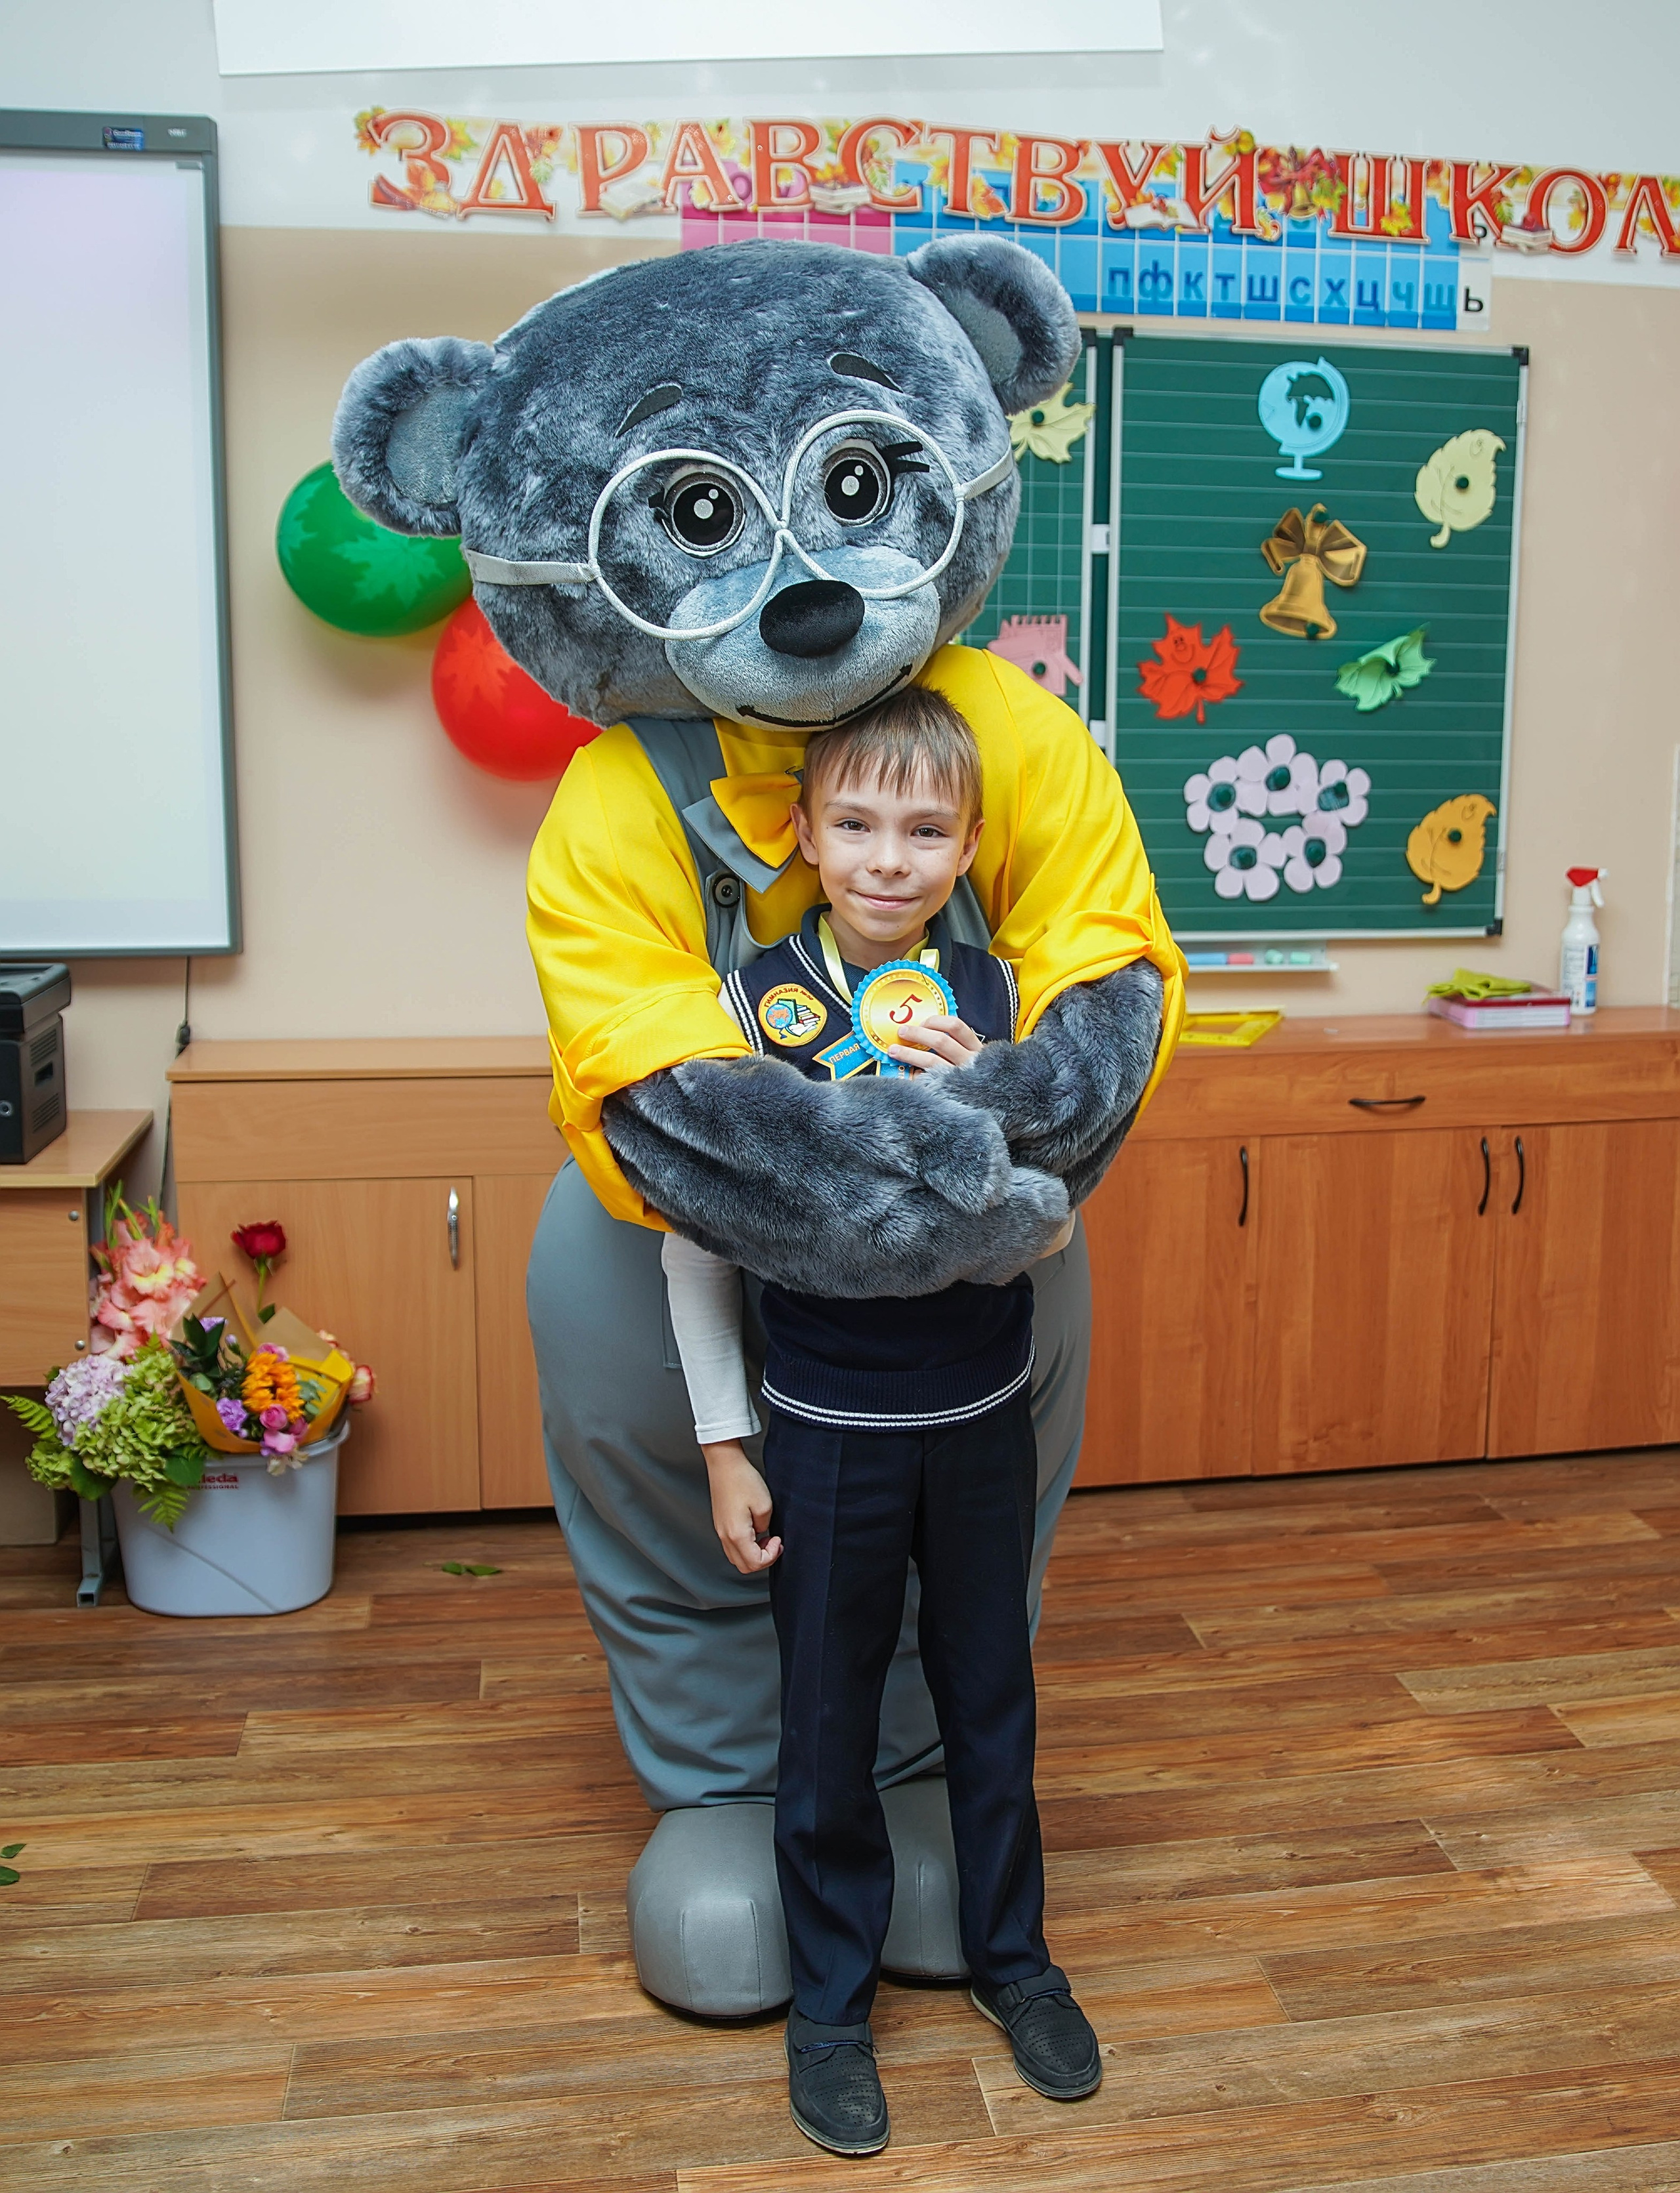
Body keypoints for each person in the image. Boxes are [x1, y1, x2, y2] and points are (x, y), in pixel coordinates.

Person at [658, 686, 1101, 2158]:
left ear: (968, 846)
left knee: (989, 1700)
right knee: (830, 1723)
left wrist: (981, 1117)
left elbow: (1046, 1224)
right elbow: (694, 1235)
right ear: (804, 832)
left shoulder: (1003, 1009)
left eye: (924, 830)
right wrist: (726, 1444)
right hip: (824, 1430)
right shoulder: (751, 1006)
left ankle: (1014, 1963)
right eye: (855, 823)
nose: (888, 858)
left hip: (978, 1421)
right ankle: (831, 2010)